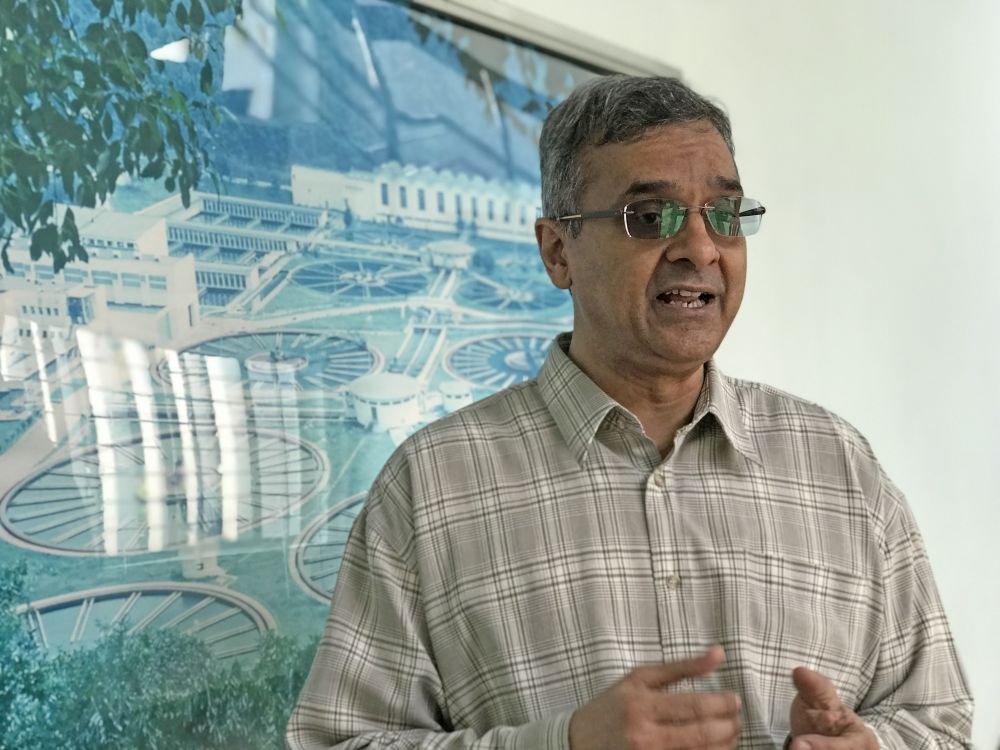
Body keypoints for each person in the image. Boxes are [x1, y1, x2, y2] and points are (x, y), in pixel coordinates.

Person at [286, 76, 973, 749]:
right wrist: (564, 746)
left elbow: (937, 719)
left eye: (725, 214)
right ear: (558, 252)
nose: (701, 248)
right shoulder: (432, 483)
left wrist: (869, 746)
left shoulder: (837, 464)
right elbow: (338, 741)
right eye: (649, 217)